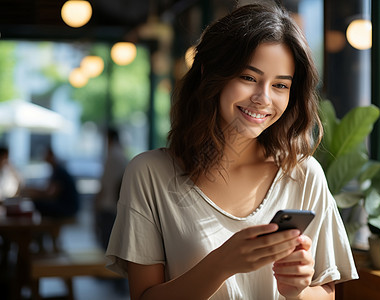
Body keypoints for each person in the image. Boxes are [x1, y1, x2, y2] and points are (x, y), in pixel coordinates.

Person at [106, 3, 358, 300]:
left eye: (280, 85)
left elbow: (328, 294)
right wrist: (222, 264)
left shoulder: (303, 175)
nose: (263, 98)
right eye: (249, 78)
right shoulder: (150, 173)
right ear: (210, 73)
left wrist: (298, 291)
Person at [94, 127, 128, 250]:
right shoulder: (122, 155)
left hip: (108, 205)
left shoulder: (112, 156)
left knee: (107, 244)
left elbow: (105, 184)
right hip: (117, 204)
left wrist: (96, 203)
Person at [25, 147, 79, 219]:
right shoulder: (56, 170)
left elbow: (52, 194)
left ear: (51, 155)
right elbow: (49, 190)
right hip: (67, 205)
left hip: (68, 207)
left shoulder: (59, 171)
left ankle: (45, 228)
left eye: (46, 155)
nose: (44, 157)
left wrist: (35, 194)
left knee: (37, 203)